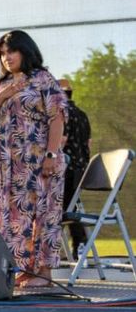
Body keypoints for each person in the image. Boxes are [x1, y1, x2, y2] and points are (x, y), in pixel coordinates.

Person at [0, 30, 67, 288]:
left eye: (12, 51)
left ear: (25, 51)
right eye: (3, 54)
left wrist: (51, 154)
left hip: (39, 159)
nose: (7, 58)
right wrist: (3, 95)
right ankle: (23, 269)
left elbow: (57, 118)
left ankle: (44, 273)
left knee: (43, 212)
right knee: (13, 216)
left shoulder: (42, 79)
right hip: (8, 164)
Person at [59, 77, 92, 257]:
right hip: (81, 170)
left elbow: (61, 140)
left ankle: (70, 248)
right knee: (72, 207)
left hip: (66, 169)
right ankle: (79, 247)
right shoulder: (82, 114)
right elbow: (88, 144)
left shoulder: (62, 112)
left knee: (60, 208)